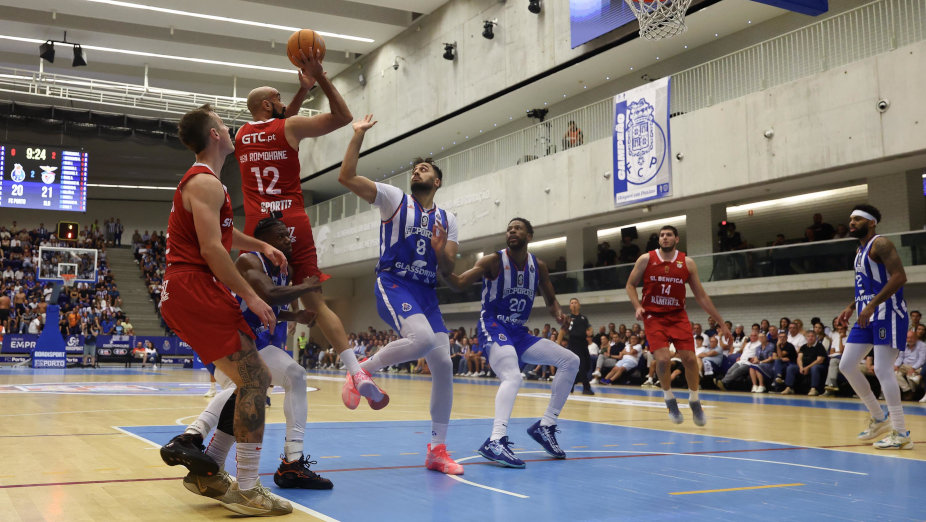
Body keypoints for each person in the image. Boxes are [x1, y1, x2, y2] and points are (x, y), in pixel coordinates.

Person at [156, 104, 292, 515]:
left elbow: (223, 237)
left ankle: (208, 469)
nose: (229, 128)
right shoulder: (205, 183)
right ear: (214, 134)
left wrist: (260, 244)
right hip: (194, 286)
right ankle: (248, 489)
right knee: (255, 380)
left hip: (186, 289)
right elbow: (212, 249)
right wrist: (251, 296)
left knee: (252, 379)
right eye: (223, 124)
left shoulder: (205, 183)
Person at [234, 47, 385, 409]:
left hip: (259, 228)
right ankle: (356, 370)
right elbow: (342, 116)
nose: (285, 102)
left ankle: (258, 369)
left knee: (257, 296)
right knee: (313, 300)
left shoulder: (240, 136)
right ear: (269, 106)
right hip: (293, 223)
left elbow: (279, 128)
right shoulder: (289, 126)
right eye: (279, 98)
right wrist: (319, 77)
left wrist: (300, 94)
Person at [337, 114, 463, 475]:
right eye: (416, 168)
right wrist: (358, 136)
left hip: (426, 292)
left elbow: (449, 268)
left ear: (437, 181)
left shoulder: (448, 218)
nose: (418, 171)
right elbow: (345, 177)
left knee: (444, 365)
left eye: (425, 169)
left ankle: (437, 449)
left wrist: (440, 251)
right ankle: (360, 372)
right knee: (421, 339)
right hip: (394, 282)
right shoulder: (394, 199)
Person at [174, 217, 333, 501]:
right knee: (248, 387)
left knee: (285, 378)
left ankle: (217, 464)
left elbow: (266, 305)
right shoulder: (250, 260)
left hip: (254, 344)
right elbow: (269, 295)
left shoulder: (284, 269)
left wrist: (294, 315)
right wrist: (308, 286)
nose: (288, 240)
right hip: (229, 341)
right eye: (281, 236)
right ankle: (193, 435)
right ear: (266, 241)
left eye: (288, 235)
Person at [439, 217, 579, 467]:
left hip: (519, 332)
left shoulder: (539, 266)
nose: (512, 231)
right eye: (509, 228)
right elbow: (459, 283)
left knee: (570, 361)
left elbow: (550, 300)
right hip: (493, 325)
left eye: (518, 228)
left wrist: (558, 314)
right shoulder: (493, 260)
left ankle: (545, 426)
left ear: (529, 236)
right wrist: (441, 262)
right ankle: (496, 439)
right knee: (513, 376)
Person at [626, 225, 731, 425]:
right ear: (659, 240)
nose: (665, 238)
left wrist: (721, 323)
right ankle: (669, 399)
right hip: (653, 317)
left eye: (669, 235)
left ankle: (694, 400)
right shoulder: (646, 259)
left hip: (677, 315)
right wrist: (637, 306)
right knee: (664, 359)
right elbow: (630, 285)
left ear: (676, 239)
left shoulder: (687, 263)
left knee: (690, 359)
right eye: (662, 235)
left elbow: (701, 296)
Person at [836, 204, 912, 450]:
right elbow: (866, 286)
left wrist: (870, 307)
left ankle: (901, 432)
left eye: (857, 219)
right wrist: (851, 306)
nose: (851, 223)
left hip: (888, 313)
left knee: (882, 369)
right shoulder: (859, 251)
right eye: (850, 219)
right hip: (866, 315)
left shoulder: (881, 244)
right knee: (846, 365)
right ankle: (879, 418)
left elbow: (900, 276)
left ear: (871, 222)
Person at [561, 298, 594, 395]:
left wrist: (590, 332)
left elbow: (589, 329)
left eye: (575, 302)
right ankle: (586, 388)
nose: (574, 304)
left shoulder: (584, 318)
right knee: (581, 365)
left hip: (583, 344)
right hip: (574, 344)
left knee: (586, 365)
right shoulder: (568, 318)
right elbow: (562, 332)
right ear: (570, 306)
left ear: (579, 305)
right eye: (572, 303)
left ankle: (570, 386)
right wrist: (557, 344)